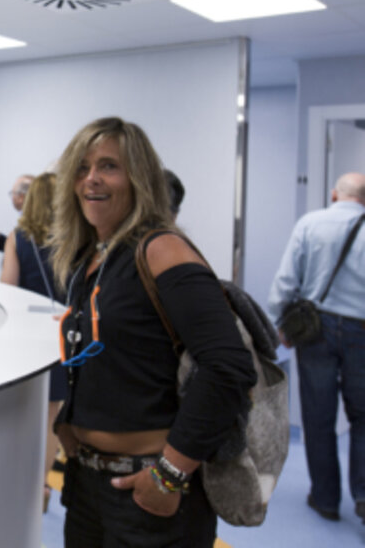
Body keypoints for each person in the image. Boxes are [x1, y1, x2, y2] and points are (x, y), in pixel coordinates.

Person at [50, 117, 255, 547]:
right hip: (88, 485)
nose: (91, 179)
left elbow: (228, 367)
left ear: (138, 178)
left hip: (149, 492)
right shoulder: (91, 259)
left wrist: (170, 474)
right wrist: (70, 421)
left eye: (108, 166)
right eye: (82, 168)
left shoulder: (161, 250)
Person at [268, 171, 365, 524]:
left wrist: (280, 321)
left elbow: (286, 279)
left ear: (335, 195)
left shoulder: (310, 224)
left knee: (318, 416)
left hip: (315, 331)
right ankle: (364, 496)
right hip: (362, 331)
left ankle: (325, 499)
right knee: (363, 417)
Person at [0, 171, 67, 512]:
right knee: (52, 415)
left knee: (21, 410)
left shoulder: (18, 238)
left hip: (25, 338)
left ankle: (16, 480)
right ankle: (42, 484)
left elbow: (7, 288)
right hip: (61, 336)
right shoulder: (73, 240)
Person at [0, 174, 34, 252]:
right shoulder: (29, 218)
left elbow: (26, 253)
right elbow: (22, 249)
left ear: (21, 197)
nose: (12, 197)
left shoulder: (31, 222)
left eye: (13, 193)